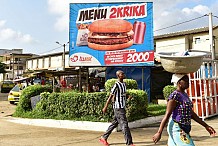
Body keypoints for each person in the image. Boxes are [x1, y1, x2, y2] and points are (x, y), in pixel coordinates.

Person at [153, 74, 216, 146]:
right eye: (185, 81)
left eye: (188, 80)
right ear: (179, 83)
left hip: (185, 128)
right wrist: (159, 132)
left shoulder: (185, 95)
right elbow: (167, 114)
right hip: (177, 128)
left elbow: (191, 114)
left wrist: (206, 126)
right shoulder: (175, 95)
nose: (188, 82)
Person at [99, 70, 135, 146]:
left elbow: (123, 93)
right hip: (118, 108)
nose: (124, 74)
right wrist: (105, 106)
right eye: (122, 74)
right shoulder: (116, 85)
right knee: (124, 125)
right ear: (118, 76)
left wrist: (128, 96)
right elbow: (111, 96)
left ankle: (103, 137)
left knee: (114, 123)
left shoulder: (124, 84)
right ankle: (129, 143)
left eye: (123, 73)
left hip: (122, 106)